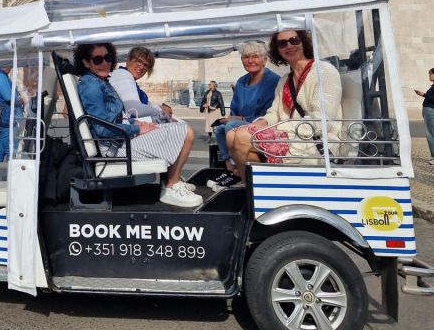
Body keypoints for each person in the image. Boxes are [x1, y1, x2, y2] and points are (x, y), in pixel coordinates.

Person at [75, 43, 201, 208]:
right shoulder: (91, 85)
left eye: (108, 58)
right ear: (86, 62)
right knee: (186, 132)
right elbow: (103, 128)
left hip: (120, 138)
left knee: (177, 129)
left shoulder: (101, 81)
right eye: (98, 59)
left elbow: (114, 117)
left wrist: (136, 123)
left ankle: (172, 182)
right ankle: (171, 187)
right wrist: (136, 128)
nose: (105, 63)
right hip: (115, 146)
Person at [226, 30, 342, 182]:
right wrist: (263, 123)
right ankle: (252, 188)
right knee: (231, 135)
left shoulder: (324, 72)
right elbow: (274, 112)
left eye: (294, 40)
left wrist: (275, 128)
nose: (289, 45)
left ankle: (250, 189)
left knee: (242, 137)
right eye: (282, 43)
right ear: (278, 50)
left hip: (314, 141)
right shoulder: (285, 80)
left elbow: (321, 121)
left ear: (304, 43)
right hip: (292, 136)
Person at [213, 41, 281, 163]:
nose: (250, 61)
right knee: (219, 130)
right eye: (246, 57)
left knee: (230, 126)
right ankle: (229, 165)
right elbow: (234, 109)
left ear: (264, 60)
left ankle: (238, 164)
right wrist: (233, 118)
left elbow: (267, 115)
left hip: (263, 125)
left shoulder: (273, 81)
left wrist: (239, 119)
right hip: (241, 123)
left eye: (255, 56)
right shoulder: (241, 82)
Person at [108, 47, 176, 123]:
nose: (142, 67)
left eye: (146, 65)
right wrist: (161, 111)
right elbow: (134, 109)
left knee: (176, 124)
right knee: (182, 128)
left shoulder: (128, 78)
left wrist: (160, 107)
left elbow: (144, 105)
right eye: (139, 61)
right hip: (122, 127)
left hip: (128, 124)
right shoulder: (123, 75)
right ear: (128, 60)